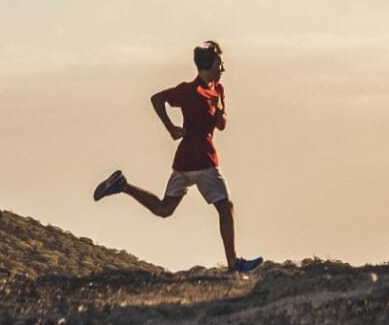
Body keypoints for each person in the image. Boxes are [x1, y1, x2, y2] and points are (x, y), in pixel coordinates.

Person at [92, 40, 264, 274]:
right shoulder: (189, 90)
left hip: (186, 161)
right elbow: (156, 99)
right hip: (202, 160)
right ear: (208, 65)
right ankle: (234, 265)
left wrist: (220, 108)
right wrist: (171, 127)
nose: (222, 69)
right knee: (226, 208)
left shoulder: (218, 90)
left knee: (165, 209)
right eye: (219, 65)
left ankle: (122, 185)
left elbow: (221, 125)